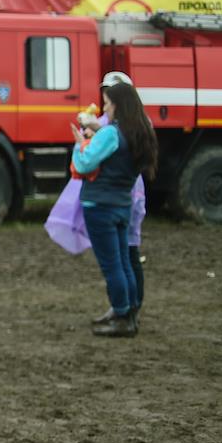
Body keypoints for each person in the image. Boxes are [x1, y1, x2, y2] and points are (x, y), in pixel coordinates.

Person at [72, 82, 157, 338]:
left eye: (108, 103)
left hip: (100, 206)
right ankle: (129, 312)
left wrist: (80, 144)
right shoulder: (138, 133)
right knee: (124, 262)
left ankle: (121, 315)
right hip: (122, 205)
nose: (105, 109)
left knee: (112, 266)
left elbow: (85, 164)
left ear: (118, 105)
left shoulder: (111, 133)